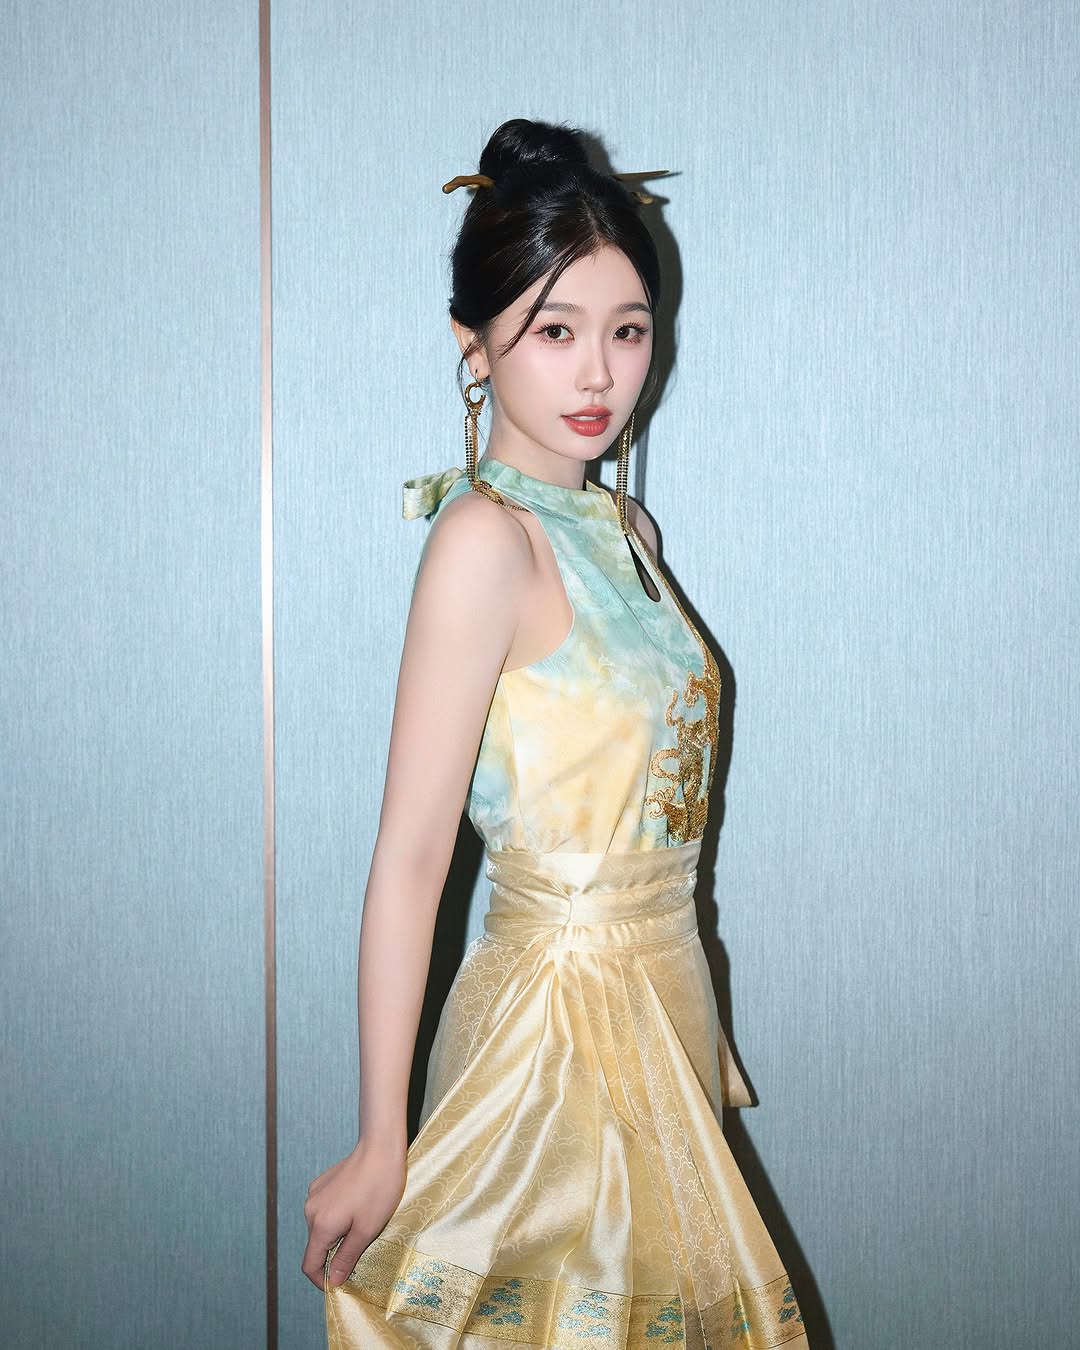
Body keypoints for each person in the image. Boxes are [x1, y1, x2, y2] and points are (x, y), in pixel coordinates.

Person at [303, 117, 808, 1349]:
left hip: (666, 1002)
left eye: (628, 330)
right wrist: (382, 1136)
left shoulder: (626, 529)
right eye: (554, 330)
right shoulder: (485, 541)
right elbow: (413, 858)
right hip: (551, 1032)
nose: (599, 376)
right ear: (474, 348)